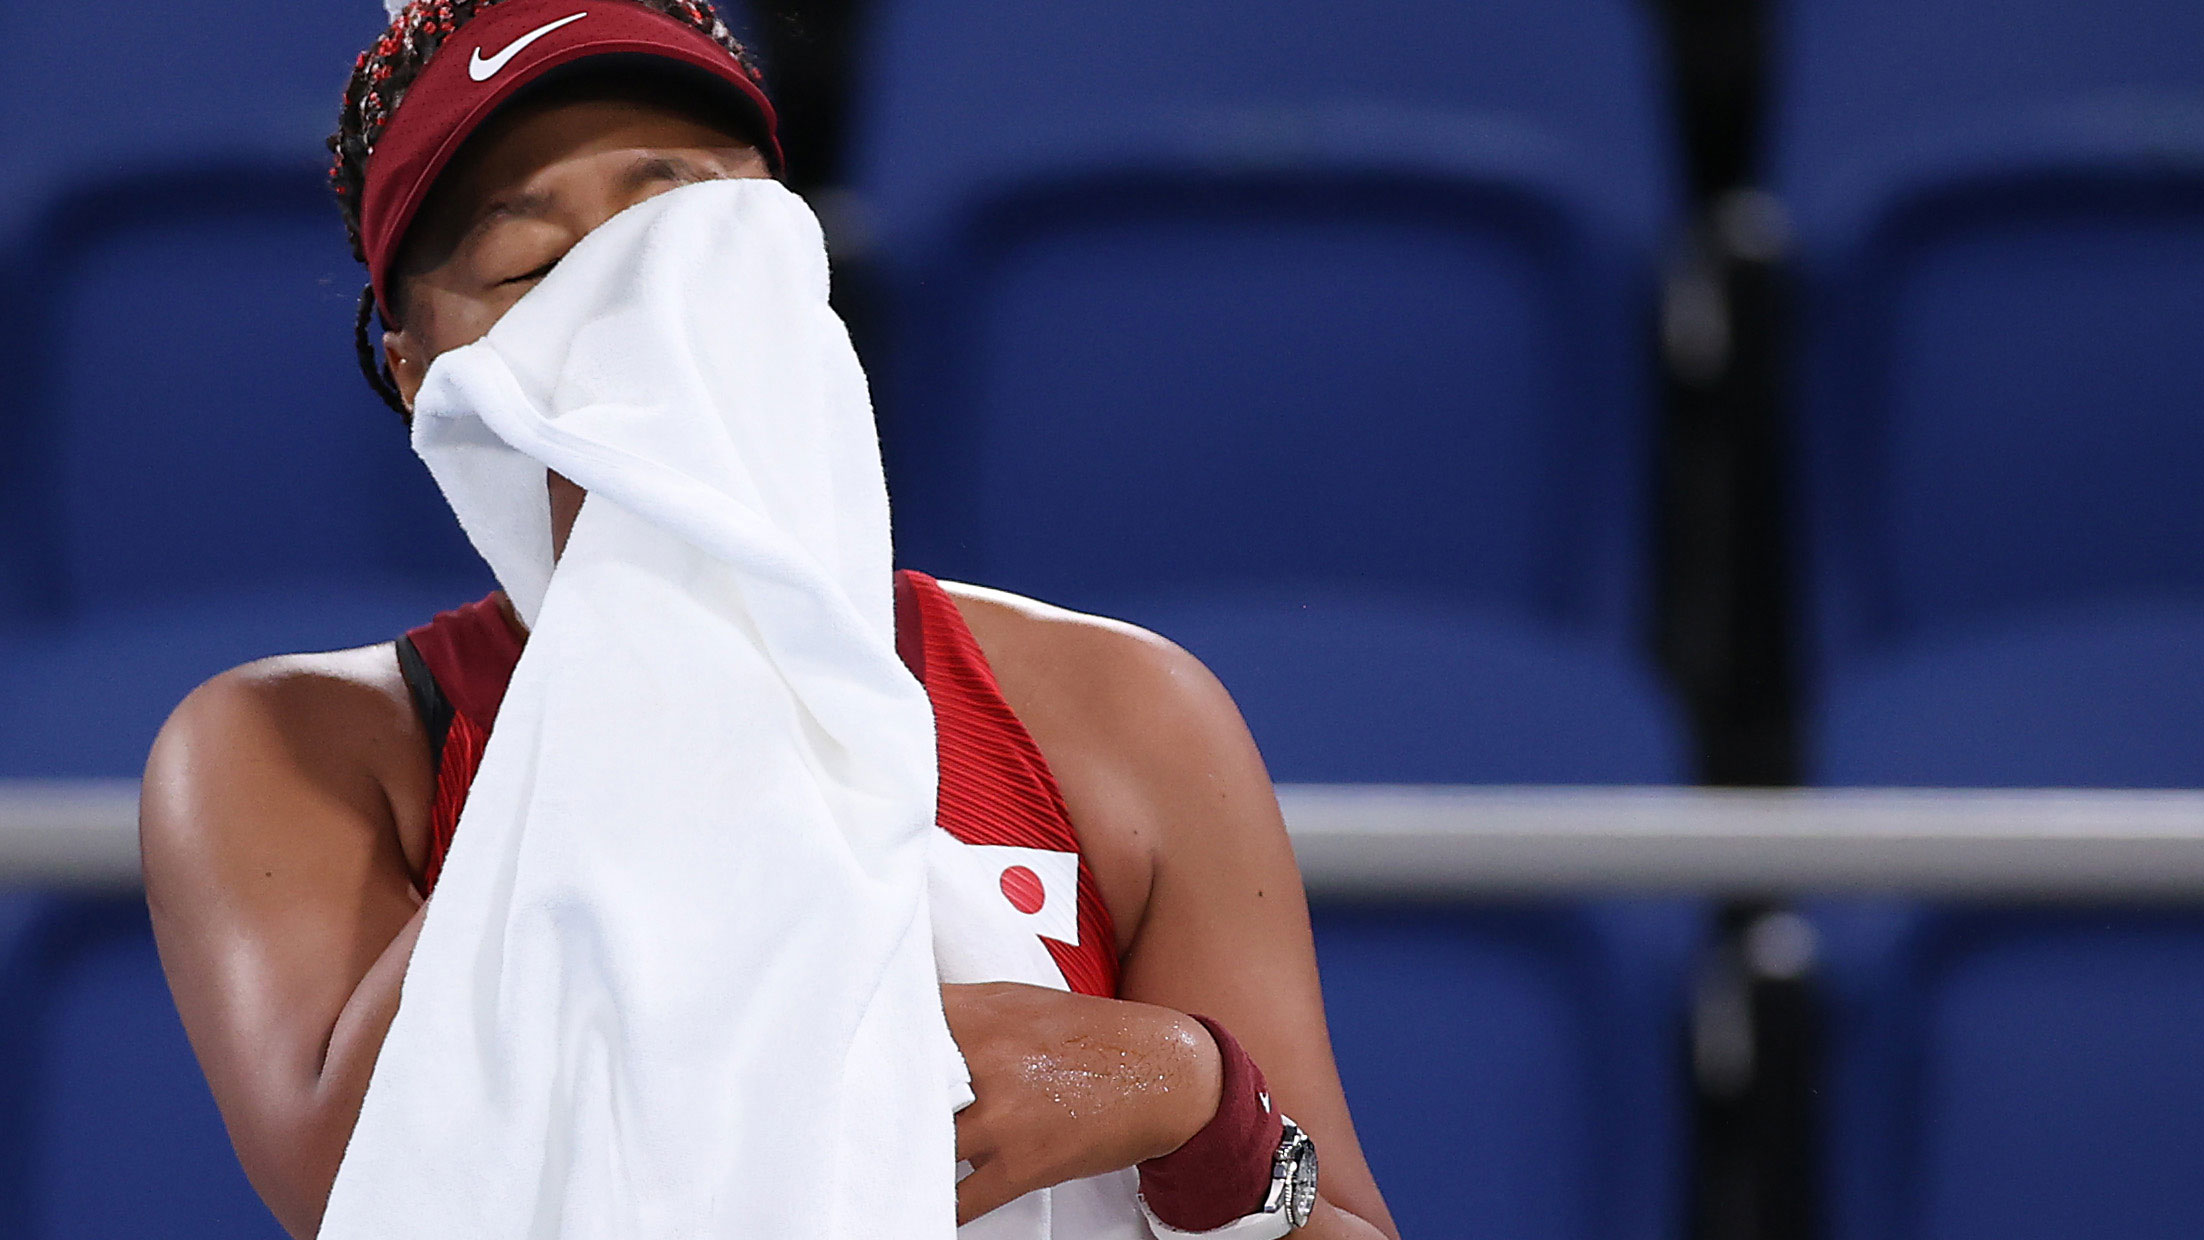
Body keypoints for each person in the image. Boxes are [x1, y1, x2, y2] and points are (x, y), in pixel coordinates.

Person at [139, 3, 1397, 1238]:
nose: (627, 300)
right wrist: (649, 589)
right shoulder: (287, 746)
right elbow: (363, 1187)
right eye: (533, 267)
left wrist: (1191, 1098)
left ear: (789, 246)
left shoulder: (1123, 707)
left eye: (677, 223)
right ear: (419, 366)